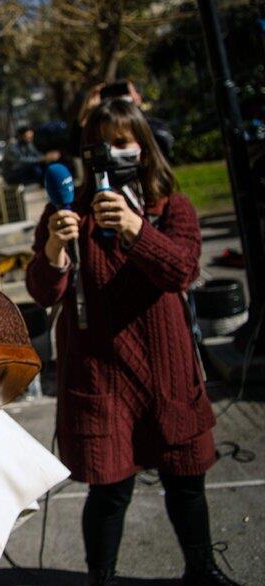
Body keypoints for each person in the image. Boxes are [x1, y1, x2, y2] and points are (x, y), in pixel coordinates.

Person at [25, 99, 238, 586]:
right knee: (109, 490)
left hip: (166, 368)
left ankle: (201, 570)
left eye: (122, 143)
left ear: (143, 147)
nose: (112, 153)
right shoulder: (68, 209)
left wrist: (137, 228)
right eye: (102, 145)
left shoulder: (172, 207)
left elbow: (182, 270)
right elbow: (44, 292)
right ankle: (103, 578)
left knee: (185, 482)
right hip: (101, 373)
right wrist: (56, 246)